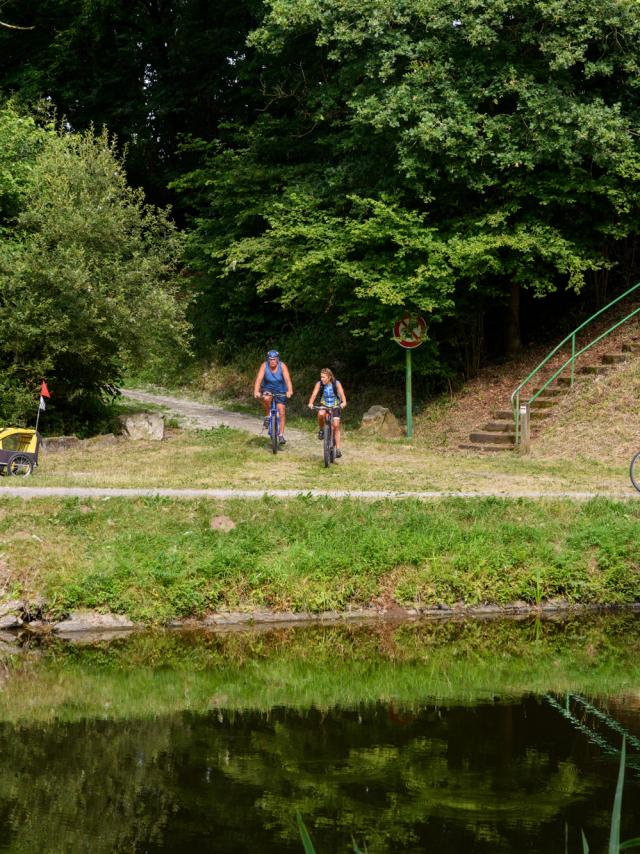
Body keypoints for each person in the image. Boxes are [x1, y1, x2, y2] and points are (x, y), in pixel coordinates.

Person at [253, 349, 293, 444]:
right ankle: (268, 415)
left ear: (277, 359)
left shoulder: (282, 366)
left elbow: (287, 380)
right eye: (270, 359)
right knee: (266, 398)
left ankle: (281, 435)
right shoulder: (264, 366)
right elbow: (259, 379)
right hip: (268, 388)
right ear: (268, 359)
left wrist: (289, 390)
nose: (272, 361)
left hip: (280, 390)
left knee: (281, 410)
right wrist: (256, 391)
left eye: (274, 359)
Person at [307, 368, 347, 457]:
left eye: (324, 377)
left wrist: (343, 403)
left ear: (329, 377)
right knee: (321, 414)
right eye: (321, 377)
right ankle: (321, 429)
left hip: (335, 405)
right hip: (324, 404)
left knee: (336, 425)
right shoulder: (319, 384)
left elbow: (342, 395)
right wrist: (310, 403)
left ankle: (338, 449)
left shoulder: (336, 383)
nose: (322, 379)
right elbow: (314, 394)